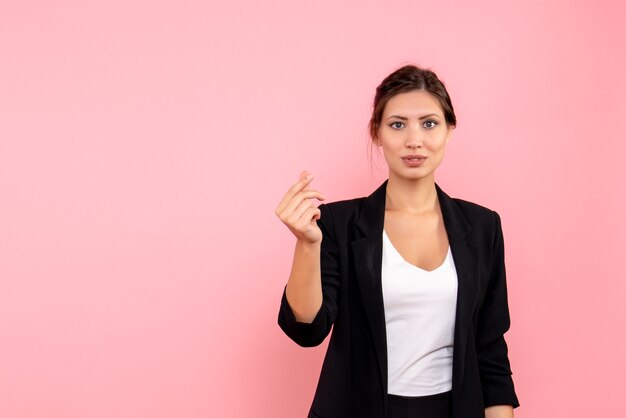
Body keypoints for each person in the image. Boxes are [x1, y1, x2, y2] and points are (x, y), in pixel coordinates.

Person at [274, 65, 520, 418]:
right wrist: (307, 244)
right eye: (398, 124)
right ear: (376, 132)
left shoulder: (482, 227)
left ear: (450, 130)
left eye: (429, 123)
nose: (414, 140)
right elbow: (307, 329)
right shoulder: (339, 224)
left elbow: (490, 349)